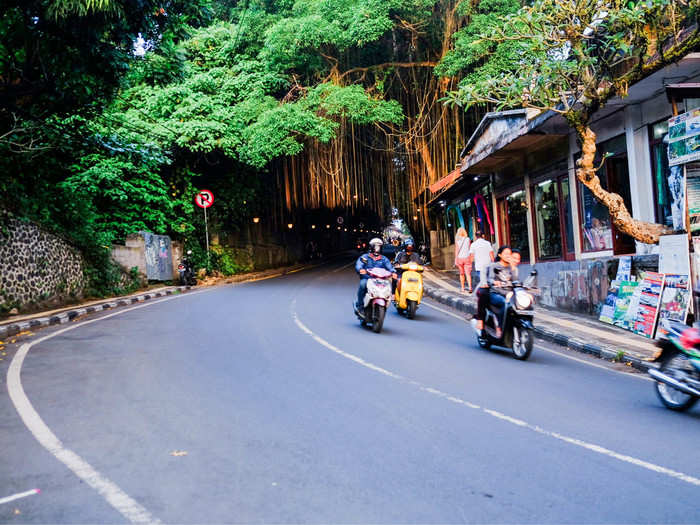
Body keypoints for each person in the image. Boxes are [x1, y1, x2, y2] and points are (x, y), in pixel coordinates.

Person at [475, 245, 517, 337]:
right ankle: (499, 327)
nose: (508, 256)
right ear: (500, 255)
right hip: (496, 293)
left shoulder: (512, 268)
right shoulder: (494, 266)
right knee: (505, 304)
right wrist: (495, 282)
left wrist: (513, 267)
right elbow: (490, 279)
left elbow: (516, 281)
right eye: (505, 254)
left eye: (509, 254)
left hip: (509, 294)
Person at [355, 237, 396, 314]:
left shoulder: (384, 259)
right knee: (362, 284)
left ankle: (387, 300)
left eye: (379, 246)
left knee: (388, 287)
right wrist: (360, 269)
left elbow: (390, 267)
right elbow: (359, 264)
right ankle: (360, 306)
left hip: (380, 280)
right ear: (371, 247)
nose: (377, 248)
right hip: (368, 278)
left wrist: (393, 272)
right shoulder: (365, 257)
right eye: (375, 246)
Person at [454, 227, 472, 293]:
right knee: (468, 274)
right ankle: (470, 288)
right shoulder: (468, 239)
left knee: (461, 274)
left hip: (460, 258)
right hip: (467, 257)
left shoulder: (457, 240)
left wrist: (455, 259)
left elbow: (457, 250)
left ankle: (463, 288)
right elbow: (469, 248)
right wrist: (470, 258)